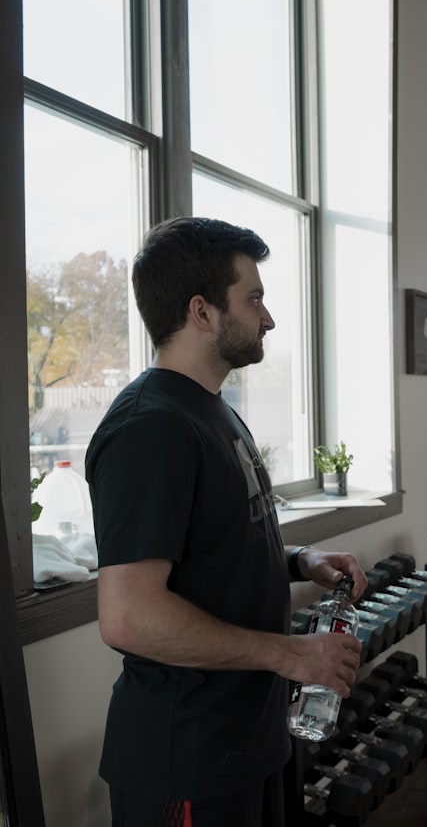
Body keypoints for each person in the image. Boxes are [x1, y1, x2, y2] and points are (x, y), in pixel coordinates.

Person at [86, 216, 368, 827]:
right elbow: (128, 616)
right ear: (203, 311)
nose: (268, 318)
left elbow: (215, 540)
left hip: (249, 745)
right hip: (186, 763)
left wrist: (301, 561)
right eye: (255, 298)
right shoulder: (149, 427)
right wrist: (292, 656)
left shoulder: (213, 412)